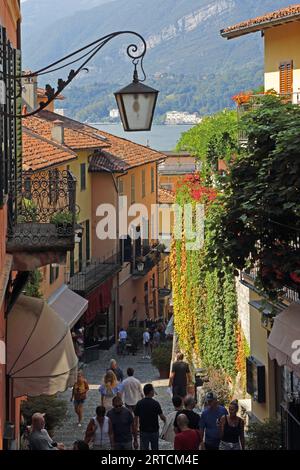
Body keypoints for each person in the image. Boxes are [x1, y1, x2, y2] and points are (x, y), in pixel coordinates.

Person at [134, 383, 166, 451]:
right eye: (153, 390)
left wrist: (135, 436)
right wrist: (167, 422)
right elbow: (162, 417)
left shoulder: (139, 404)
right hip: (154, 431)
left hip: (143, 431)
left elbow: (136, 420)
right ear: (151, 392)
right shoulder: (155, 403)